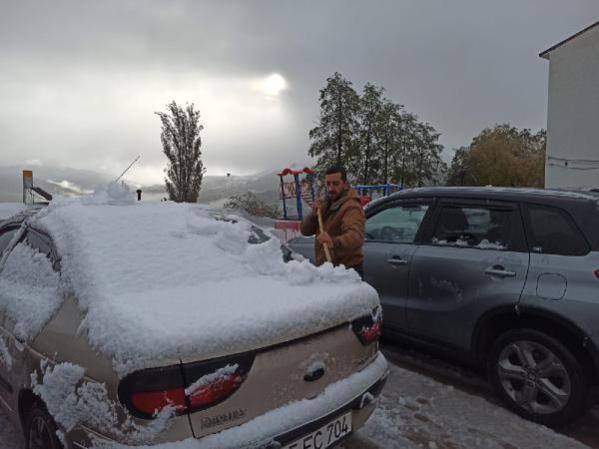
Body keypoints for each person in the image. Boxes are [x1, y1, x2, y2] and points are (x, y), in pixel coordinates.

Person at [300, 165, 365, 278]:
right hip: (328, 269)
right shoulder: (326, 204)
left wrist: (333, 242)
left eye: (335, 184)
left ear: (345, 184)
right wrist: (314, 215)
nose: (330, 188)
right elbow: (304, 231)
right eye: (328, 184)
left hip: (345, 273)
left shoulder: (351, 207)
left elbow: (356, 237)